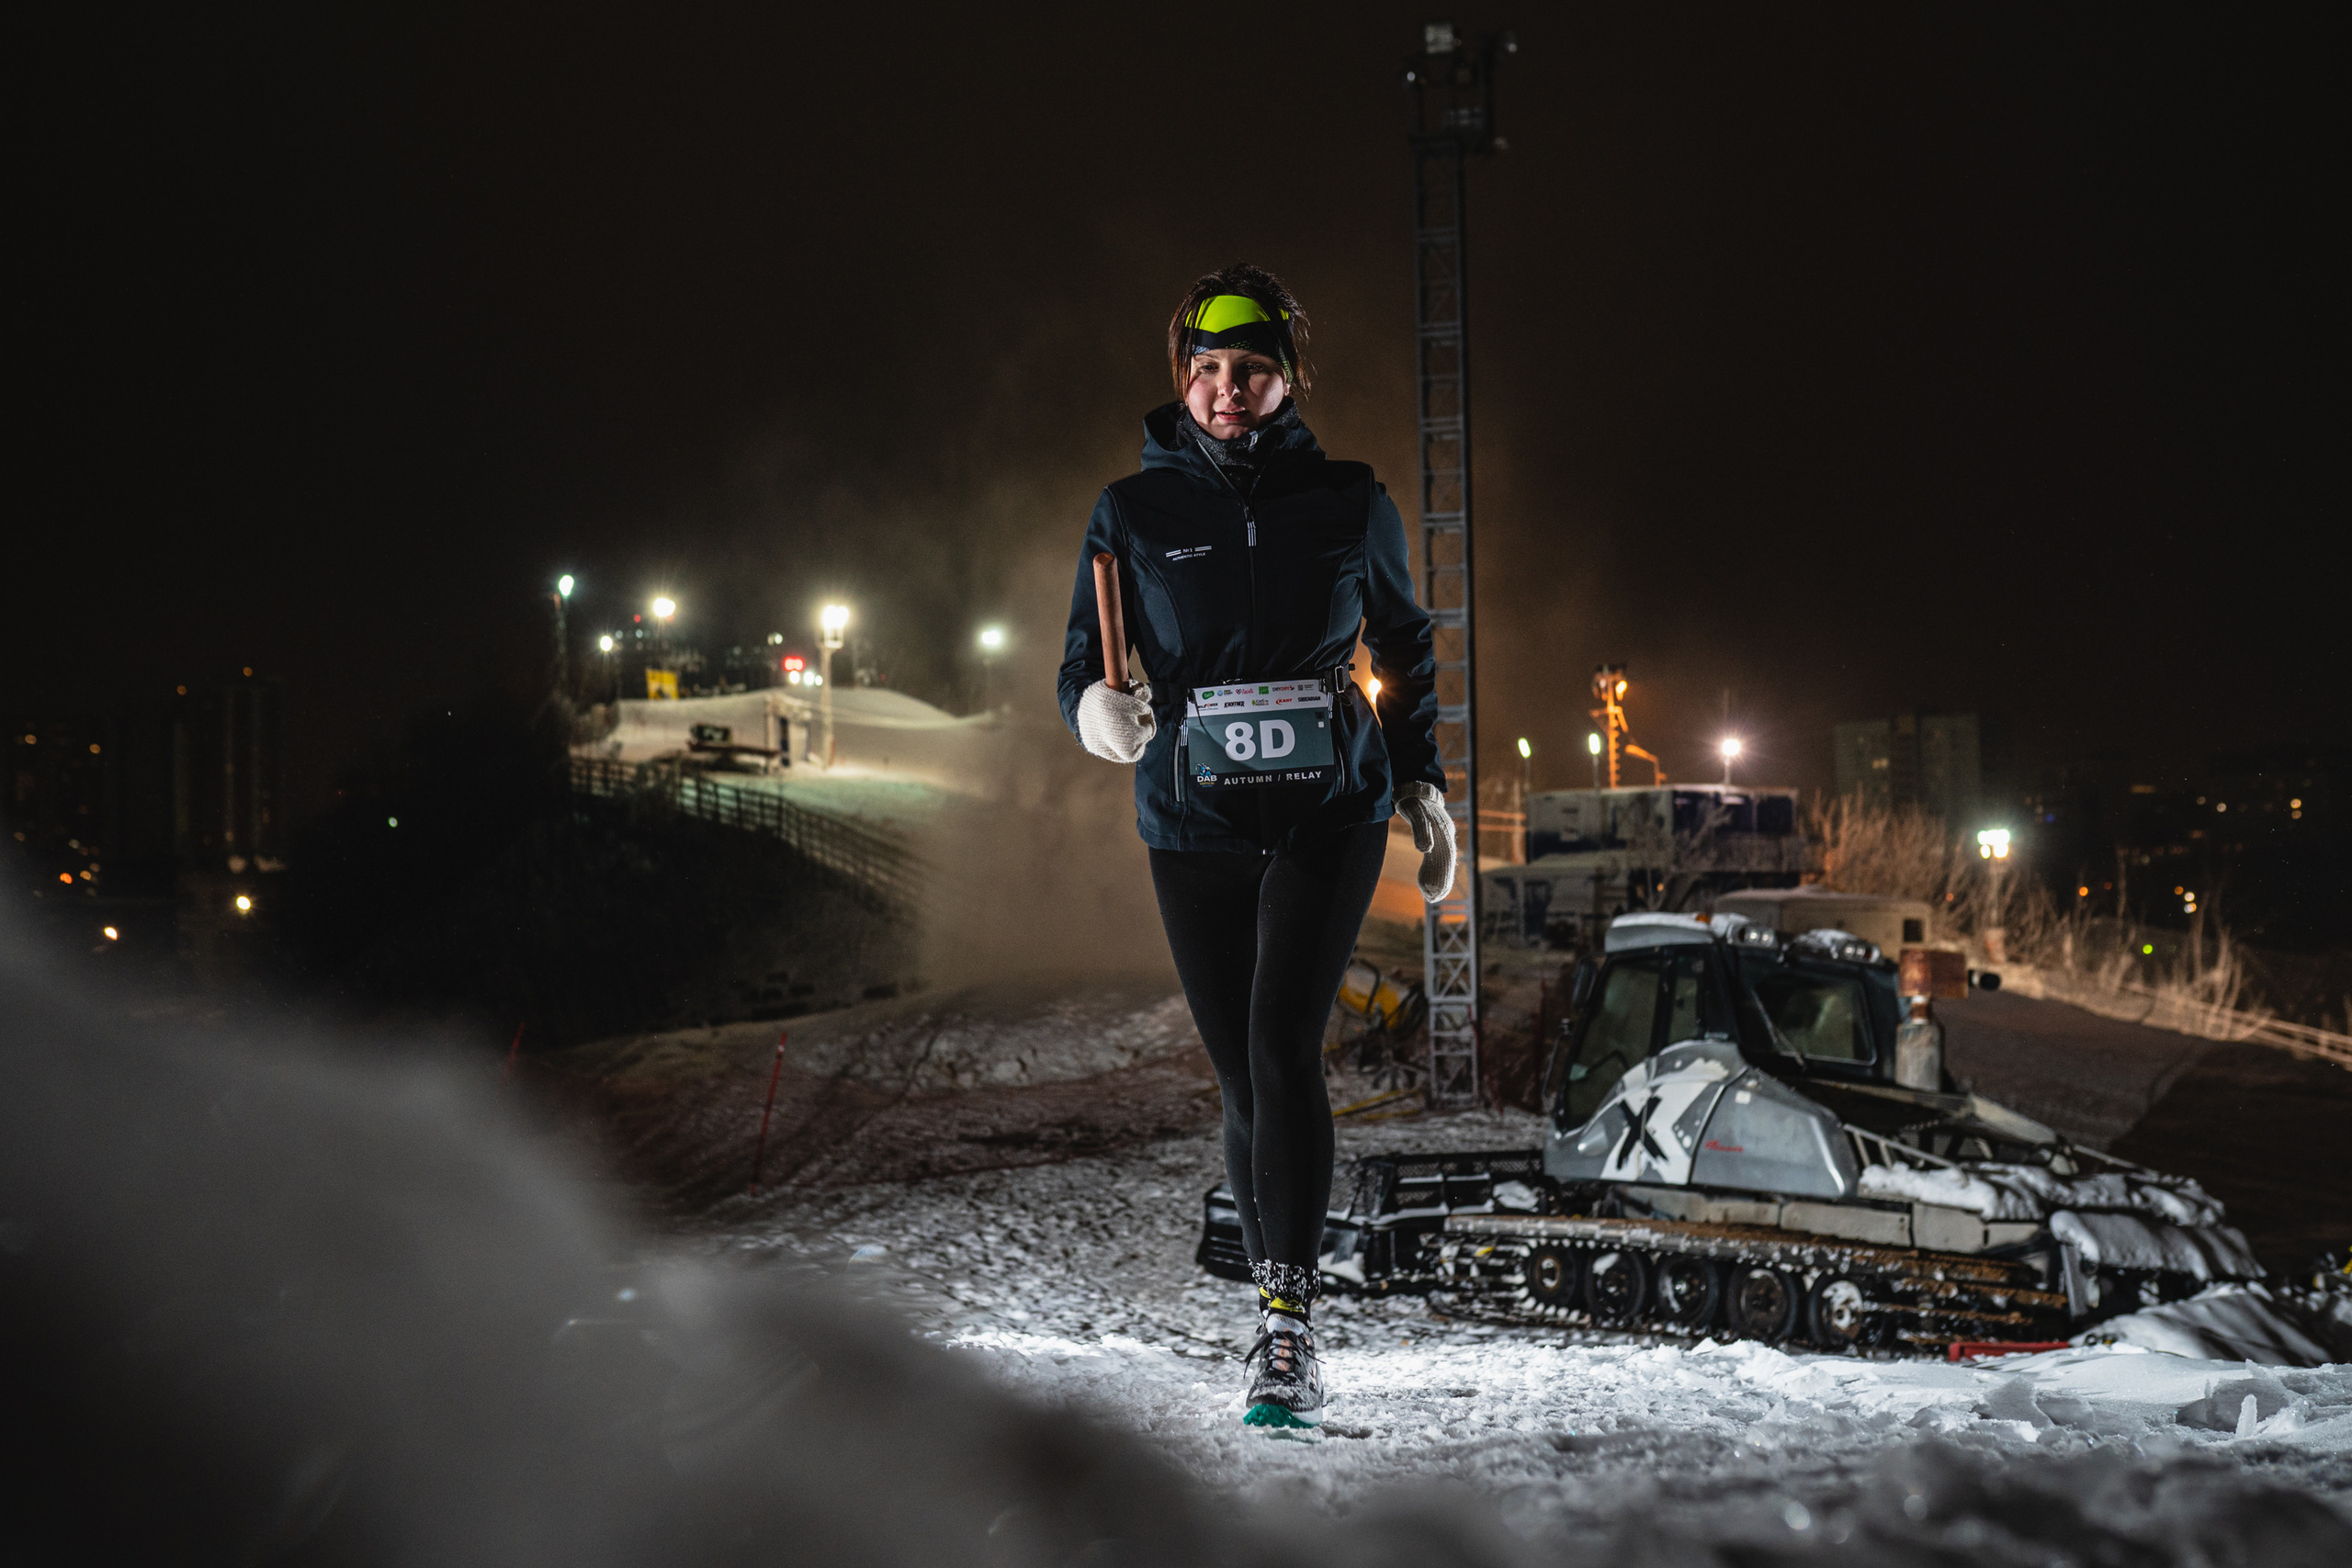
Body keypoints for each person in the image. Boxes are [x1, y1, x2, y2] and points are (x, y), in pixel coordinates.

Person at [1057, 264, 1454, 1435]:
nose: (1227, 391)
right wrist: (1095, 714)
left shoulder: (1349, 499)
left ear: (1289, 377)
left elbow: (1406, 640)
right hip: (1194, 824)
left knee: (1283, 1045)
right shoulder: (1130, 512)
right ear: (1183, 375)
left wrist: (1423, 781)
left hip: (1329, 809)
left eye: (1253, 369)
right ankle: (1277, 1312)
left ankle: (1287, 1330)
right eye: (1207, 370)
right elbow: (1084, 658)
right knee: (1240, 1071)